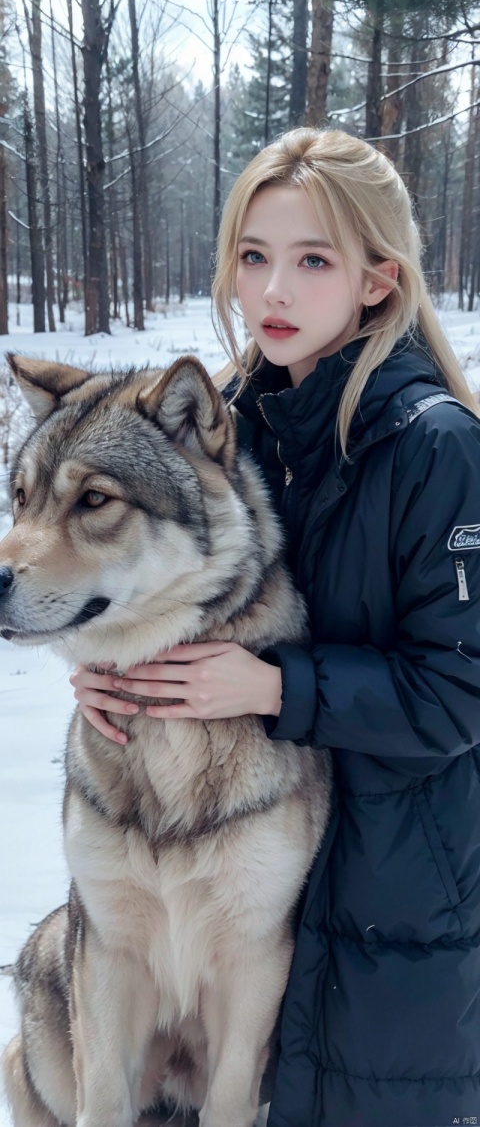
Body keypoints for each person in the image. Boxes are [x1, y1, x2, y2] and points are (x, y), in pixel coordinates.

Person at [70, 128, 480, 1127]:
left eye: (312, 261)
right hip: (246, 878)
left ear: (380, 280)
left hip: (384, 894)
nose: (273, 292)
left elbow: (460, 691)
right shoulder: (234, 426)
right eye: (253, 256)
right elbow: (177, 590)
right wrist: (106, 658)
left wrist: (274, 686)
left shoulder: (438, 447)